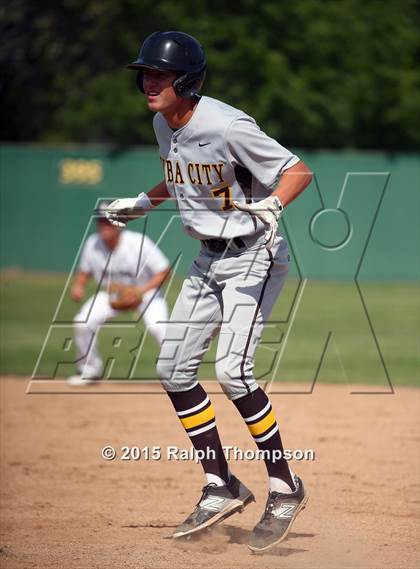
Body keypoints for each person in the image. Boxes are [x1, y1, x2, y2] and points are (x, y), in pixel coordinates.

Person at [104, 31, 313, 552]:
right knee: (173, 369)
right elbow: (181, 179)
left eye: (159, 74)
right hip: (206, 258)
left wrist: (273, 205)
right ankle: (220, 484)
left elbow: (296, 170)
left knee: (232, 373)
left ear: (188, 81)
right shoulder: (162, 123)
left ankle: (285, 487)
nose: (149, 82)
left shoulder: (227, 124)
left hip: (252, 255)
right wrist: (142, 203)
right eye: (145, 74)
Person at [67, 203, 170, 386]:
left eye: (108, 222)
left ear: (118, 224)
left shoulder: (138, 242)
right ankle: (90, 371)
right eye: (101, 222)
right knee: (83, 322)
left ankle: (176, 373)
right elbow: (85, 271)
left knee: (159, 328)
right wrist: (78, 286)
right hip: (112, 296)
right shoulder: (93, 244)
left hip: (146, 294)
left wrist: (140, 291)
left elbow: (164, 271)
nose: (104, 226)